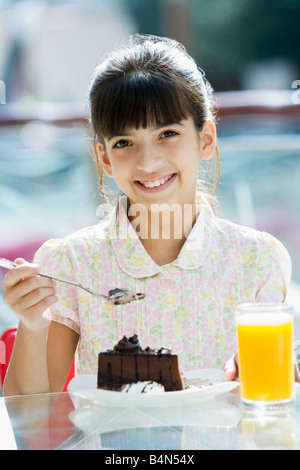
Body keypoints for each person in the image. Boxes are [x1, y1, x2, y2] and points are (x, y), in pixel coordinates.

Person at [2, 34, 294, 396]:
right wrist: (32, 325)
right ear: (105, 159)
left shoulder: (257, 259)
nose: (148, 162)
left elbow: (272, 396)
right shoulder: (69, 263)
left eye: (167, 133)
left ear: (205, 140)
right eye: (124, 143)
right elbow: (29, 414)